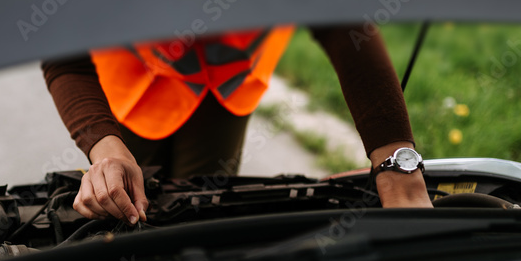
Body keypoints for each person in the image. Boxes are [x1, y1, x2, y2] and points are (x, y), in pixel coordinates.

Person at [42, 24, 432, 222]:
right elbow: (64, 50)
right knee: (132, 215)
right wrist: (105, 147)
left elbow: (343, 24)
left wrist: (397, 164)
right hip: (128, 85)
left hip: (227, 85)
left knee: (201, 222)